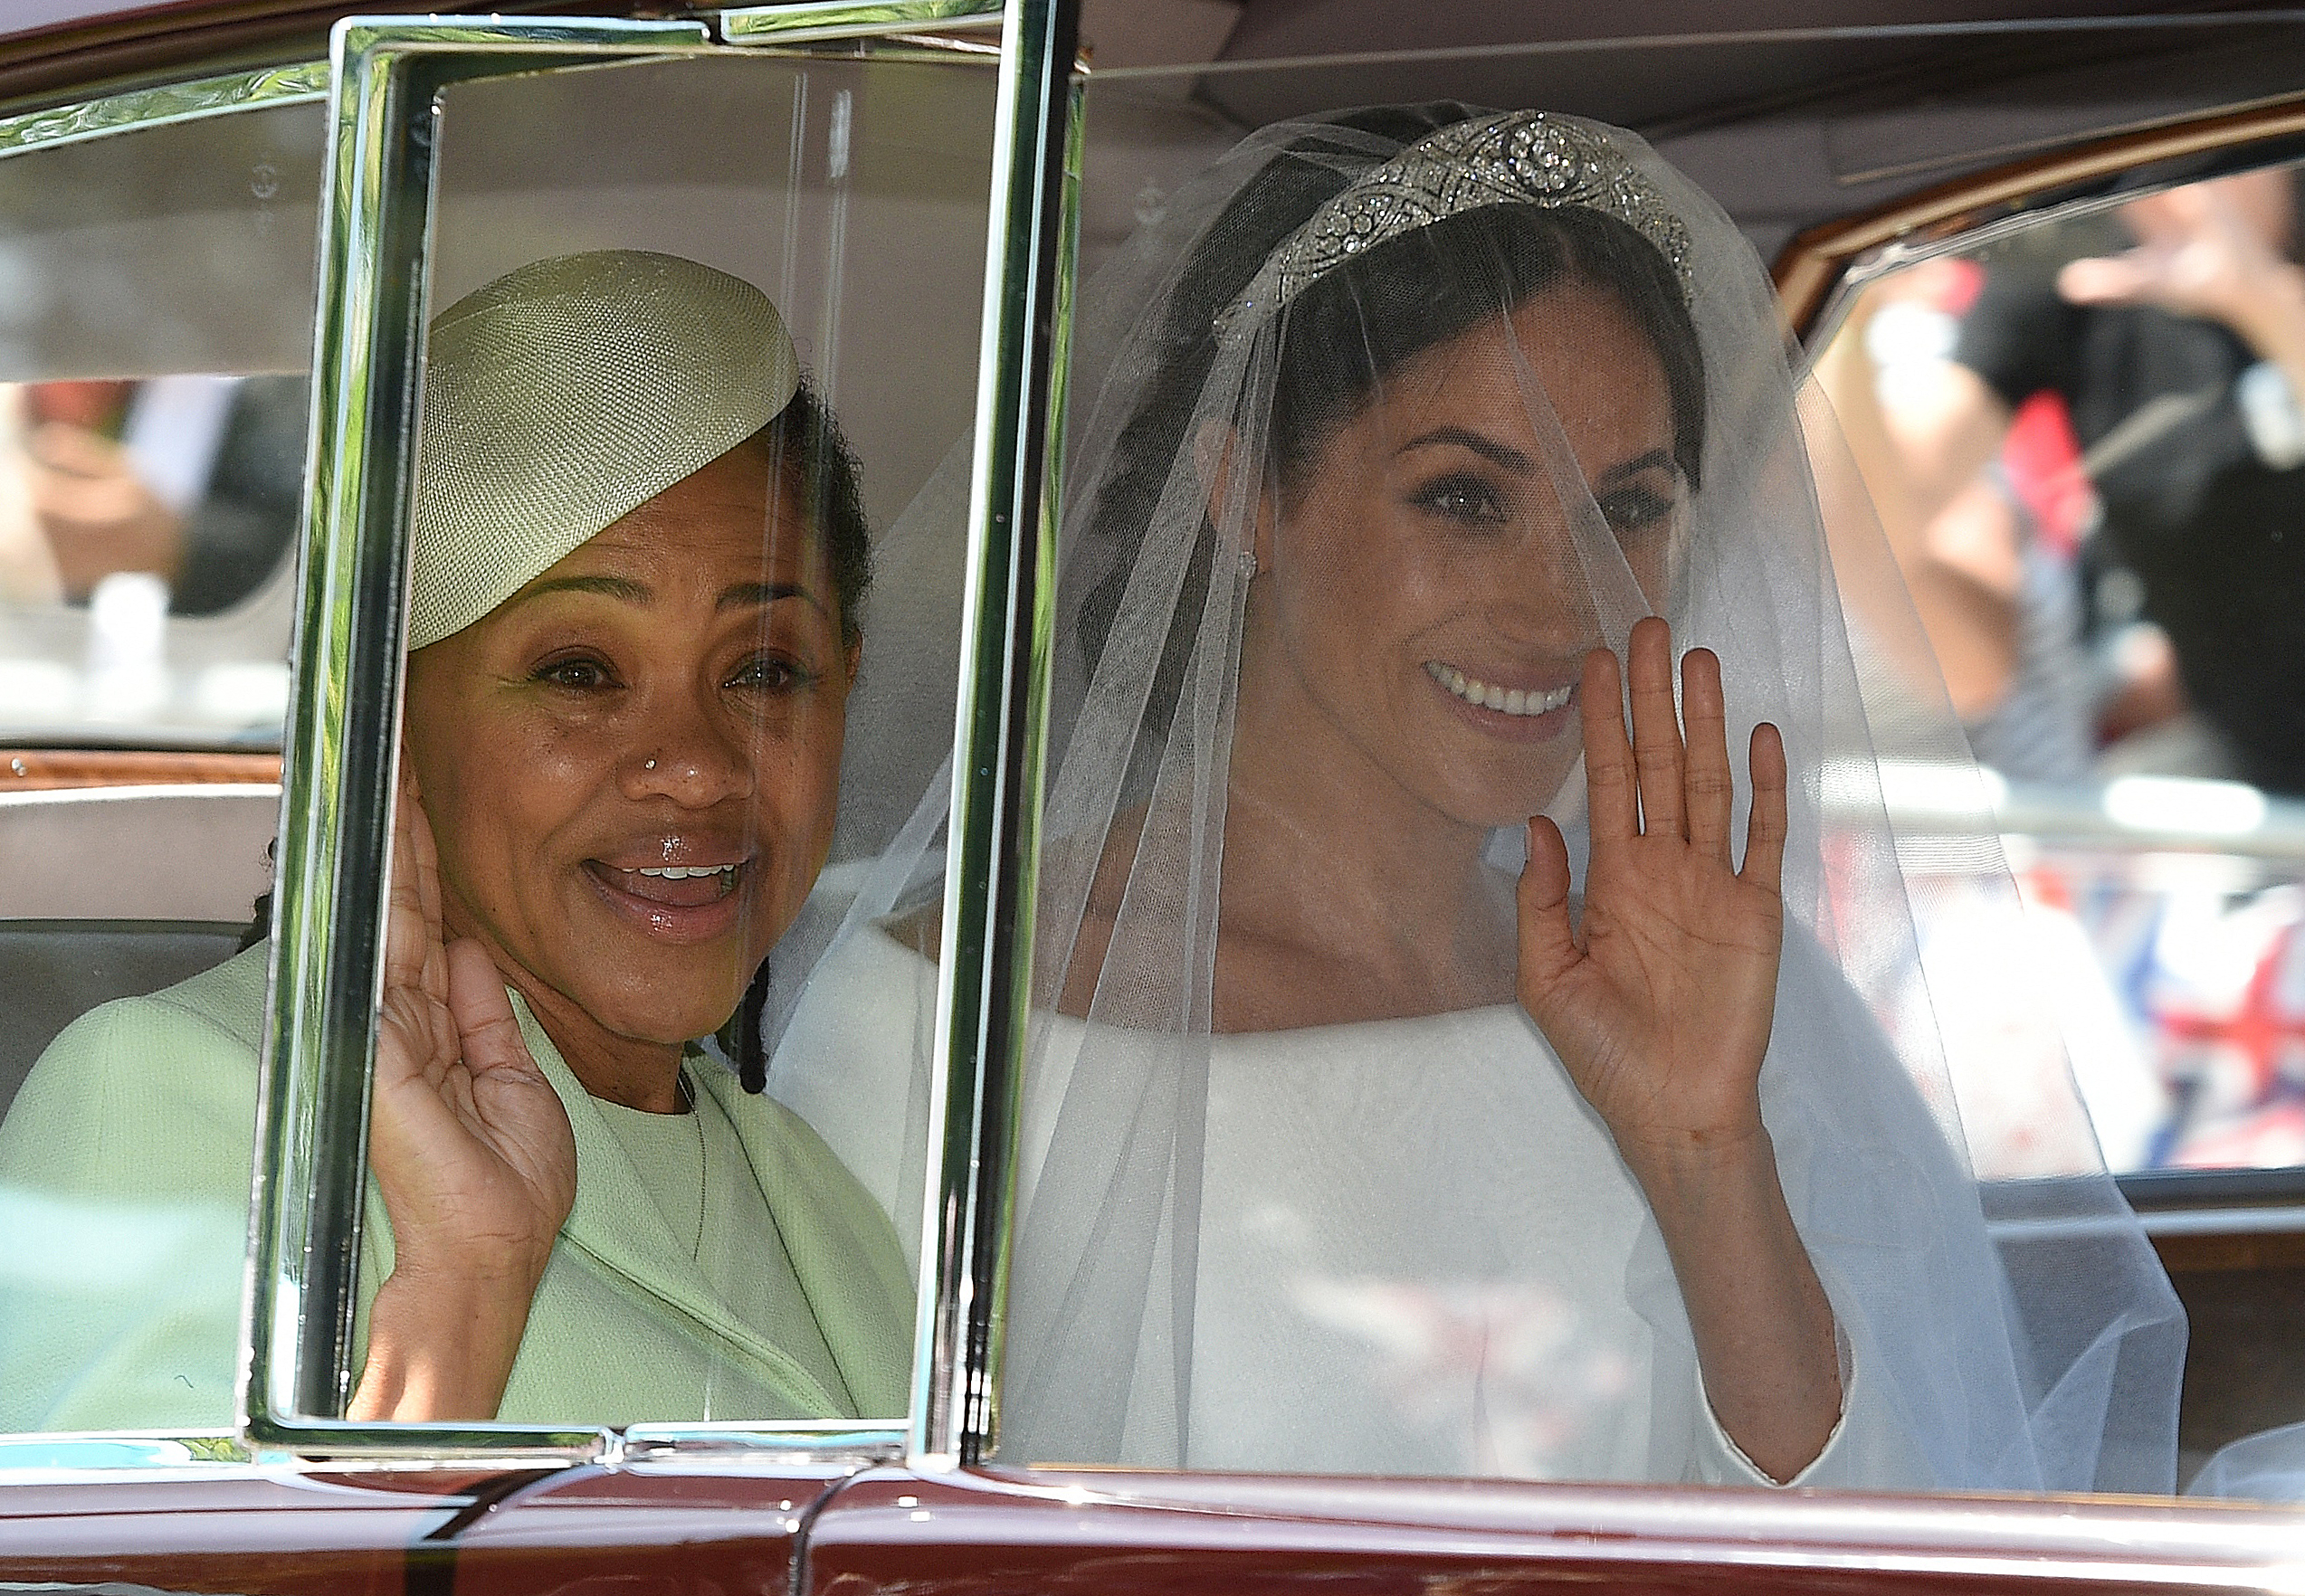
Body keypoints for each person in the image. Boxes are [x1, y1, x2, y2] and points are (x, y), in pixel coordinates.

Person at [768, 107, 2184, 1491]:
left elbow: (1877, 1530)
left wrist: (1706, 1161)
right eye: (1461, 498)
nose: (1561, 600)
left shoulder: (1704, 998)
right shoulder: (929, 1039)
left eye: (1626, 506)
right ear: (1243, 488)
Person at [0, 251, 911, 1431]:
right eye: (581, 671)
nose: (699, 766)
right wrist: (462, 1289)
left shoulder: (813, 1188)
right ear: (388, 726)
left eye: (765, 671)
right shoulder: (188, 1095)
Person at [1873, 167, 2305, 793]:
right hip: (2262, 788)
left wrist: (2261, 299)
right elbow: (1900, 487)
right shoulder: (2076, 272)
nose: (2189, 181)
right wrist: (1845, 324)